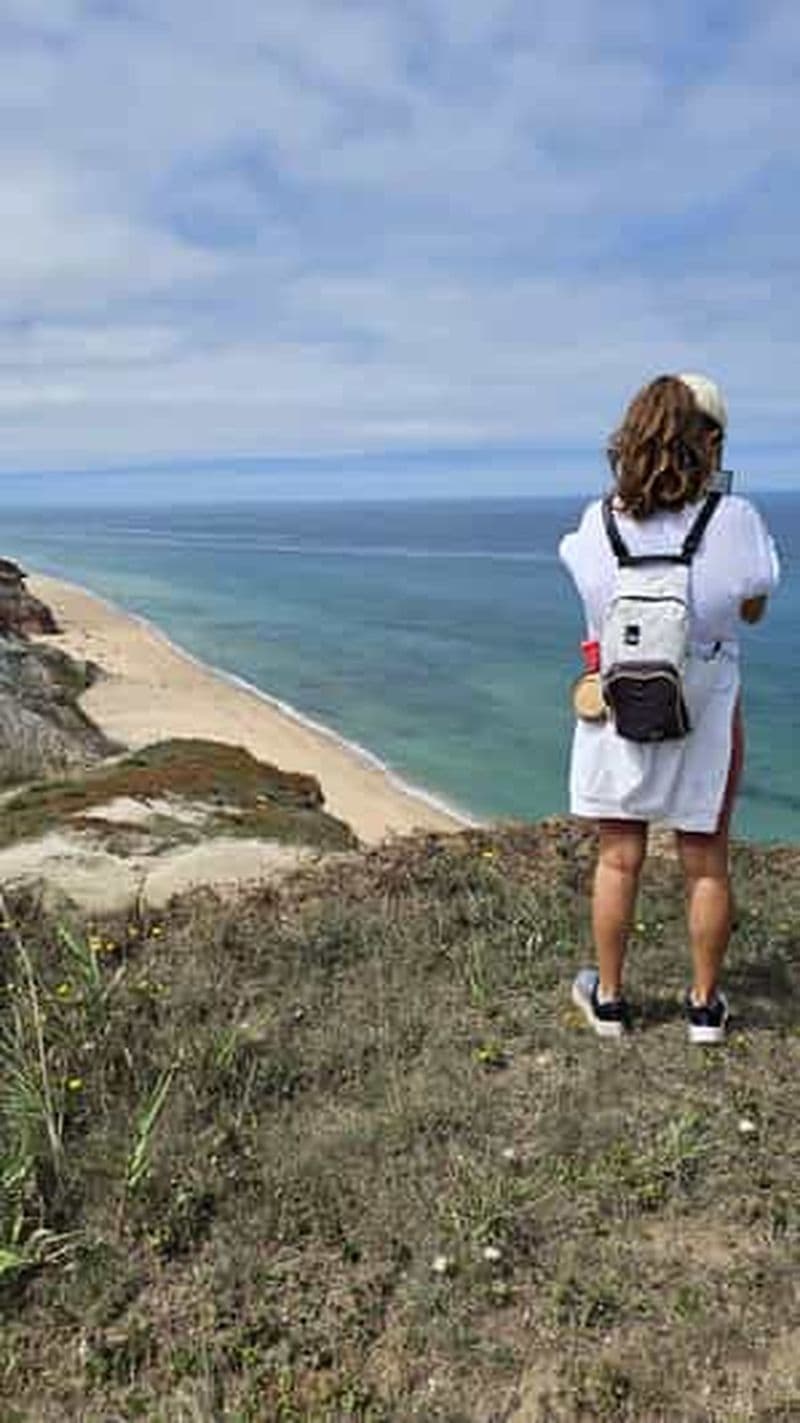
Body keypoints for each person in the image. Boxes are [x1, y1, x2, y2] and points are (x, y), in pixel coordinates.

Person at [559, 373, 780, 1043]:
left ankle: (613, 999)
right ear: (707, 444)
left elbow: (592, 599)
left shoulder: (598, 523)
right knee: (705, 859)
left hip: (622, 702)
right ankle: (705, 1007)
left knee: (619, 854)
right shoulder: (734, 519)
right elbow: (754, 603)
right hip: (706, 707)